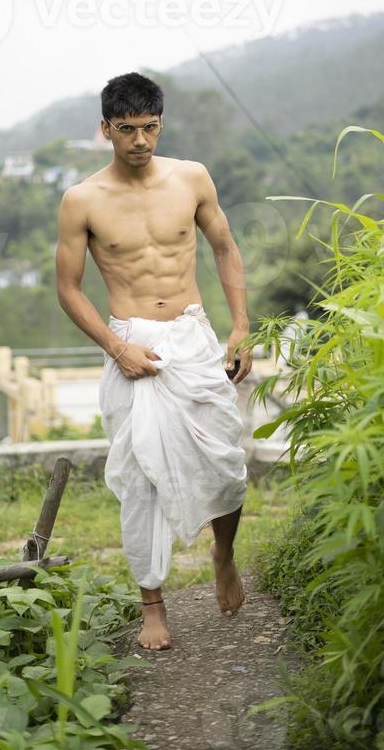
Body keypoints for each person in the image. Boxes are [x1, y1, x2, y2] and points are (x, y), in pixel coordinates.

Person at [55, 71, 253, 651]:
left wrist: (239, 327)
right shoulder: (83, 200)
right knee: (140, 477)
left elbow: (224, 246)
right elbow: (69, 288)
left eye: (149, 128)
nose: (140, 141)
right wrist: (119, 348)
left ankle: (224, 553)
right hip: (132, 339)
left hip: (193, 334)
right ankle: (153, 607)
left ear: (160, 124)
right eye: (127, 129)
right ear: (105, 129)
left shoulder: (191, 178)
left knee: (225, 461)